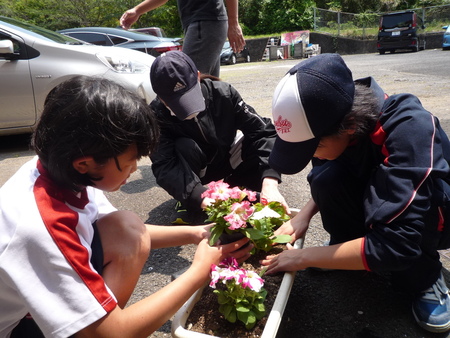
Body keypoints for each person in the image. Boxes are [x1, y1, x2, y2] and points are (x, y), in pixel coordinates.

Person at [0, 75, 251, 338]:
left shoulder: (59, 170)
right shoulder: (40, 224)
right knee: (110, 332)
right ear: (84, 163)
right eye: (131, 160)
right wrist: (199, 270)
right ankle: (100, 323)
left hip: (30, 304)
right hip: (15, 328)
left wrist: (198, 233)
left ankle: (100, 317)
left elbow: (126, 233)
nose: (135, 169)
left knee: (127, 228)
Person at [260, 53, 450, 333]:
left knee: (404, 233)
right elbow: (331, 166)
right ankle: (346, 251)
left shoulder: (411, 129)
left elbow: (395, 243)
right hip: (381, 198)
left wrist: (302, 257)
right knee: (325, 179)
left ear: (349, 126)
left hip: (431, 216)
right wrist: (304, 216)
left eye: (312, 147)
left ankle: (425, 279)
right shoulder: (337, 114)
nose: (312, 154)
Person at [149, 51, 289, 224]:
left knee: (253, 143)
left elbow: (263, 132)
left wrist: (270, 181)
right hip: (194, 172)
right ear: (160, 97)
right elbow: (164, 165)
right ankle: (188, 200)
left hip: (225, 159)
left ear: (198, 76)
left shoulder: (223, 94)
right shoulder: (156, 115)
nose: (188, 111)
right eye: (175, 103)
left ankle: (236, 190)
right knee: (183, 146)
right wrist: (199, 197)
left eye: (189, 97)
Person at [119, 0, 245, 77]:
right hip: (202, 23)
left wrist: (234, 22)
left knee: (187, 80)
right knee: (206, 85)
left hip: (206, 21)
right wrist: (137, 10)